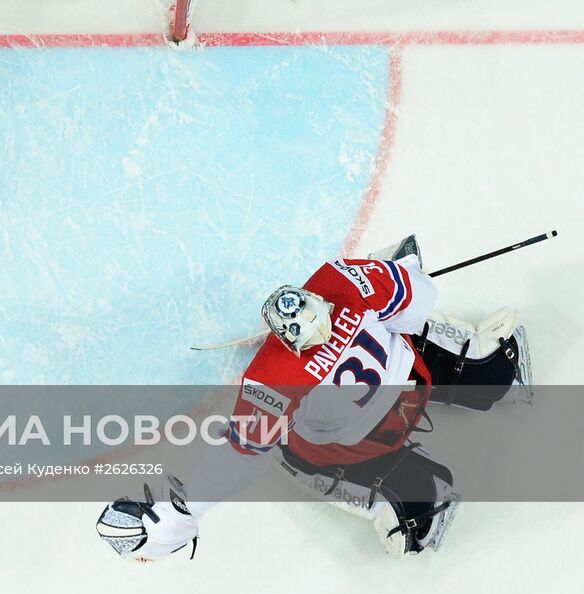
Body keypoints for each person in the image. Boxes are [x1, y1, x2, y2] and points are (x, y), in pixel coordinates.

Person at [96, 237, 531, 560]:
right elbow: (420, 302)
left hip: (365, 440)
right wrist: (394, 272)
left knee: (291, 451)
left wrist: (182, 514)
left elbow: (241, 456)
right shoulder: (339, 280)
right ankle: (490, 371)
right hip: (412, 388)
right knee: (406, 328)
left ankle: (413, 504)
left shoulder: (270, 376)